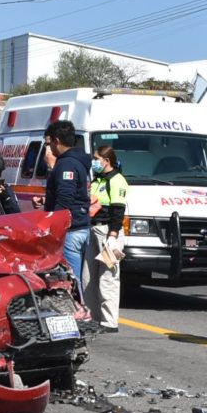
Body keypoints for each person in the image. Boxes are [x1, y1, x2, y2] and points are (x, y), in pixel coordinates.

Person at [33, 120, 91, 289]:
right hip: (81, 226)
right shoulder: (77, 161)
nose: (48, 148)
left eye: (49, 143)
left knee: (71, 279)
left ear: (56, 140)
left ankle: (77, 313)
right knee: (77, 276)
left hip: (70, 231)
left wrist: (51, 225)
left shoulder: (67, 163)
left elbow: (65, 198)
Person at [82, 145, 128, 333]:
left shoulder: (117, 180)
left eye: (96, 158)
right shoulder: (98, 180)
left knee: (108, 277)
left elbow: (118, 210)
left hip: (108, 231)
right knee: (88, 276)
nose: (94, 161)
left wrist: (113, 236)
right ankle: (92, 318)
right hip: (93, 229)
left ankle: (109, 321)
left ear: (106, 160)